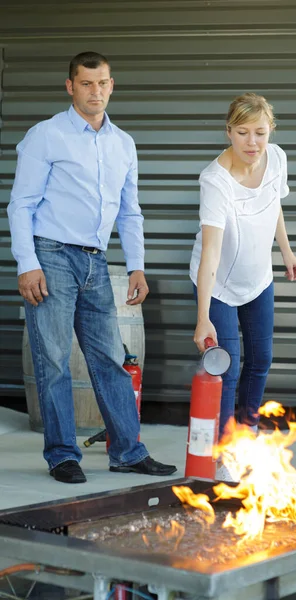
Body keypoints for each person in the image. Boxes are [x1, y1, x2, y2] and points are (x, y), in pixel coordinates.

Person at [7, 51, 177, 483]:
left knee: (110, 359)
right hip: (51, 256)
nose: (95, 92)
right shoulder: (46, 135)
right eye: (86, 83)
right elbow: (21, 205)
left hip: (96, 262)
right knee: (55, 359)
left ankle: (127, 451)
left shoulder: (123, 143)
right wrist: (28, 264)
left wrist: (136, 266)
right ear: (70, 87)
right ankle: (63, 454)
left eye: (102, 83)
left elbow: (130, 212)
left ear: (111, 85)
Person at [190, 93, 296, 459]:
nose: (252, 142)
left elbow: (274, 205)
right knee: (229, 367)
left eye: (260, 132)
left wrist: (285, 251)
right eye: (242, 133)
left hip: (258, 278)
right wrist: (203, 315)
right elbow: (210, 252)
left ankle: (246, 435)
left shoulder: (278, 158)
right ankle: (222, 454)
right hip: (218, 284)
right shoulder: (215, 181)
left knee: (261, 360)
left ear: (270, 130)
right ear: (229, 132)